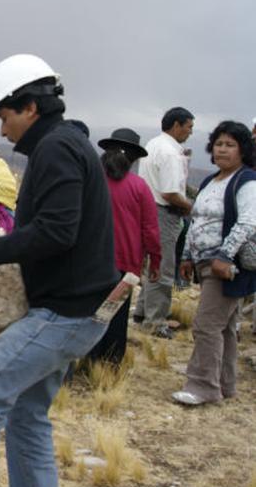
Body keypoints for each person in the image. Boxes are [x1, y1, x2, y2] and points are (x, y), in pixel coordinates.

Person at [0, 54, 116, 487]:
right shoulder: (68, 143)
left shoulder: (56, 147)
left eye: (5, 115)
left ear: (30, 107)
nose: (2, 130)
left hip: (62, 314)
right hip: (82, 309)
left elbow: (58, 231)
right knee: (26, 414)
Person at [173, 121, 256, 406]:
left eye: (230, 144)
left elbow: (248, 221)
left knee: (206, 325)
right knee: (225, 327)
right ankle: (224, 384)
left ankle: (202, 387)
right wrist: (186, 256)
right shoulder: (211, 181)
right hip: (204, 261)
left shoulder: (246, 181)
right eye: (219, 143)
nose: (222, 149)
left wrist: (224, 256)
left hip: (225, 266)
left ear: (243, 150)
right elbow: (196, 221)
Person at [86, 128, 161, 366]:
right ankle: (111, 363)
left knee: (91, 312)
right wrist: (155, 261)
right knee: (115, 314)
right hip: (125, 265)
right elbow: (150, 230)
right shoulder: (139, 187)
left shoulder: (90, 180)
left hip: (91, 260)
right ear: (134, 159)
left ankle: (88, 359)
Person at [134, 107, 195, 338]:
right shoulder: (170, 152)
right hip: (163, 212)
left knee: (152, 264)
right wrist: (193, 207)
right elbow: (170, 192)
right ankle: (156, 321)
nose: (190, 132)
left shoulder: (154, 144)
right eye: (188, 127)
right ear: (176, 125)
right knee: (163, 266)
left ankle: (142, 313)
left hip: (147, 208)